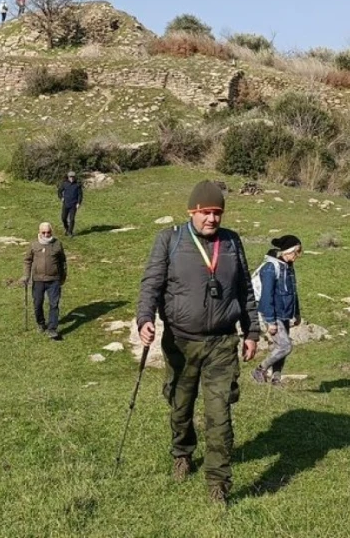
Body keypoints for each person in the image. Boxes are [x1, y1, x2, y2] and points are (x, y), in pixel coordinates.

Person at [137, 180, 260, 507]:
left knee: (219, 415)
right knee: (180, 407)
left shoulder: (232, 242)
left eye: (217, 213)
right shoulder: (170, 240)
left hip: (222, 343)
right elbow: (151, 285)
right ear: (192, 211)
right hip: (181, 343)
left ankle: (218, 484)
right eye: (206, 212)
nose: (212, 219)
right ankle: (182, 453)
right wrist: (144, 319)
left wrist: (251, 332)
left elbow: (245, 291)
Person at [251, 235, 302, 386]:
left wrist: (296, 312)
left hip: (285, 313)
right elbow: (267, 295)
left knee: (280, 348)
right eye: (296, 252)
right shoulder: (270, 268)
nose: (297, 256)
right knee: (285, 346)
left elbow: (293, 292)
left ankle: (276, 379)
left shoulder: (288, 267)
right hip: (273, 314)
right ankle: (260, 369)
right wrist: (270, 321)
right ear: (287, 251)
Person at [23, 222, 67, 341]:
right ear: (39, 232)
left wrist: (63, 277)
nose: (46, 234)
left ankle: (52, 329)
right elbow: (27, 260)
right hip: (38, 280)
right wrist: (26, 276)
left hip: (54, 280)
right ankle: (41, 323)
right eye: (43, 232)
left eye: (48, 232)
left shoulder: (57, 244)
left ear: (51, 232)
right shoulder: (34, 245)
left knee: (54, 304)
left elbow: (63, 262)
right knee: (37, 304)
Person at [56, 171, 83, 237]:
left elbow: (80, 195)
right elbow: (59, 191)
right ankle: (67, 229)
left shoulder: (77, 185)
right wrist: (61, 197)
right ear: (68, 177)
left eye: (73, 177)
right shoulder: (64, 184)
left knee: (72, 219)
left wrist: (78, 203)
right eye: (70, 177)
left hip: (73, 205)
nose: (72, 178)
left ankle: (70, 232)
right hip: (66, 204)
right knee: (63, 218)